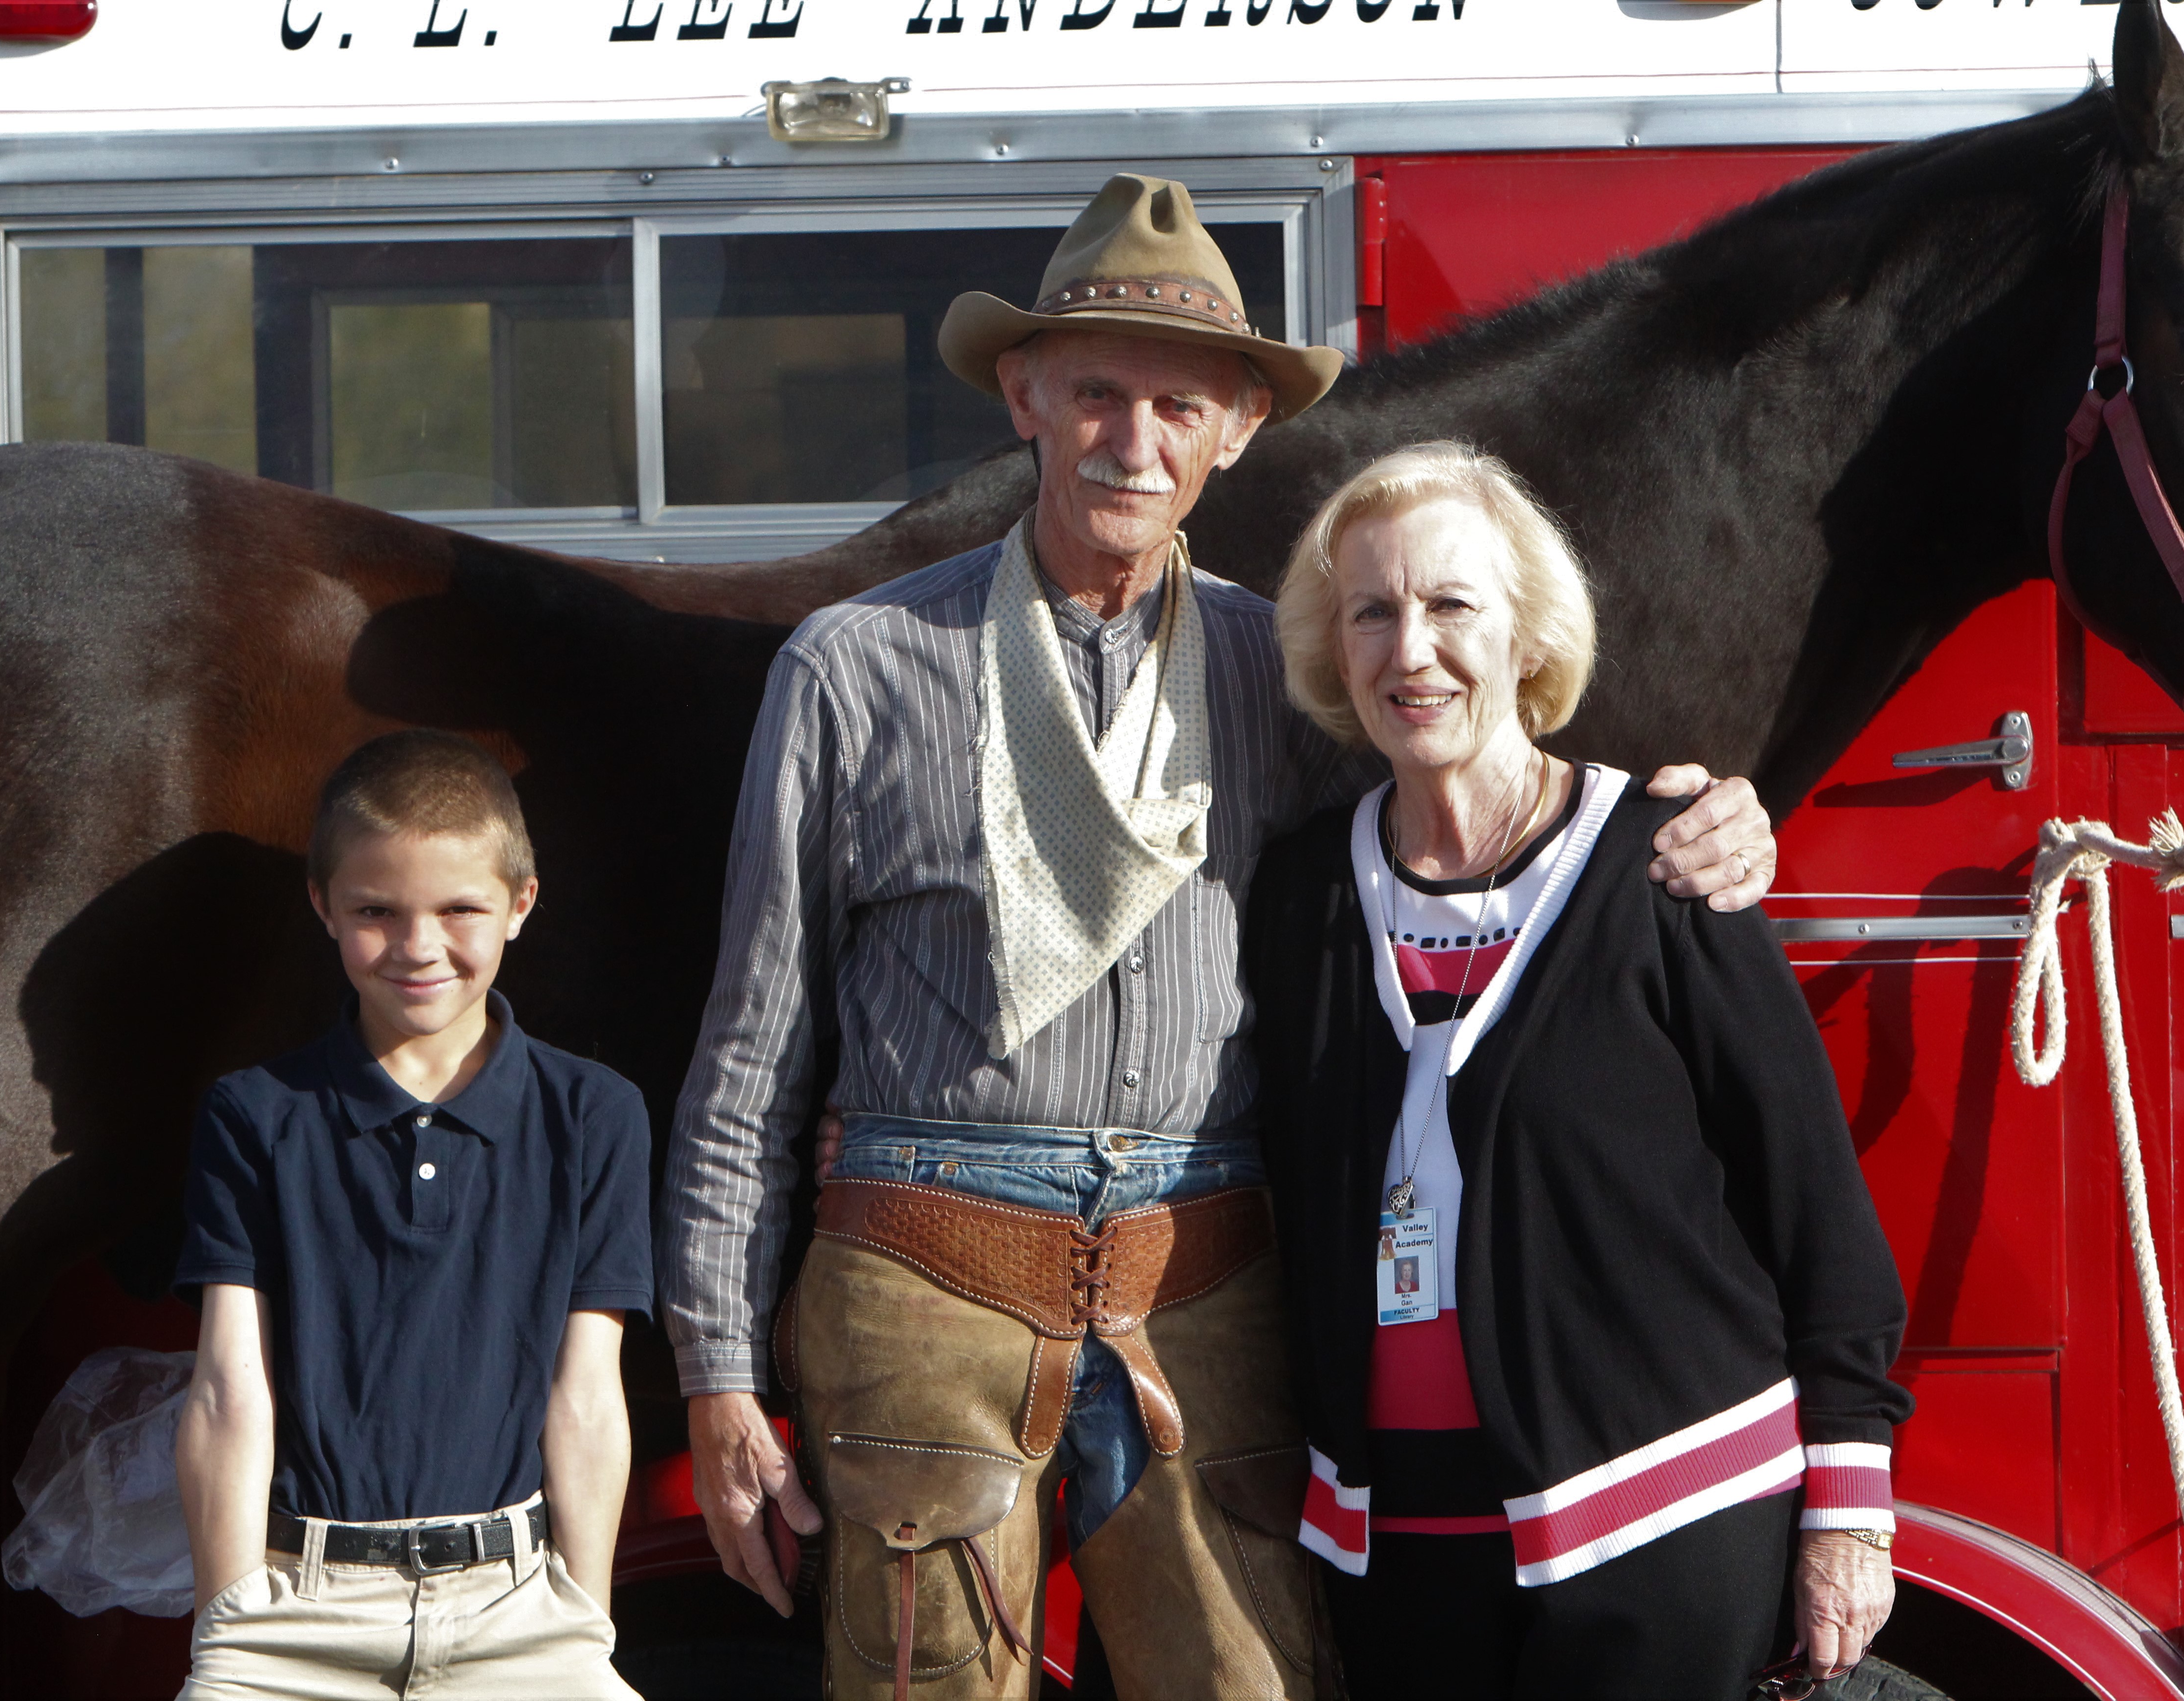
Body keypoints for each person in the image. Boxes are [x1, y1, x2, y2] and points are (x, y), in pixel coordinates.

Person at [660, 174, 1781, 1701]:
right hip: (924, 1256)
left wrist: (1700, 816)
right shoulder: (856, 672)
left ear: (1239, 431)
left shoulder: (1294, 677)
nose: (1135, 442)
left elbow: (1494, 807)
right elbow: (751, 1057)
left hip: (1207, 1268)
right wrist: (719, 1375)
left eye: (1180, 406)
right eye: (1099, 395)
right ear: (1025, 397)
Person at [1247, 443, 1912, 1701]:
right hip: (1395, 1538)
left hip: (1661, 1505)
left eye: (1452, 606)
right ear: (1334, 652)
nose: (1412, 649)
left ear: (1527, 637)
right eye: (1371, 612)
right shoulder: (1297, 898)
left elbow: (1815, 1201)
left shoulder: (1667, 862)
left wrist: (1850, 1506)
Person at [171, 730, 651, 1701]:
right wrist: (228, 1625)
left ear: (520, 904)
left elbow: (589, 1393)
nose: (420, 945)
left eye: (460, 909)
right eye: (377, 912)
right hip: (294, 1613)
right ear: (324, 907)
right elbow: (229, 1386)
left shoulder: (596, 1112)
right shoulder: (257, 1113)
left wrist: (582, 1623)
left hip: (520, 1613)